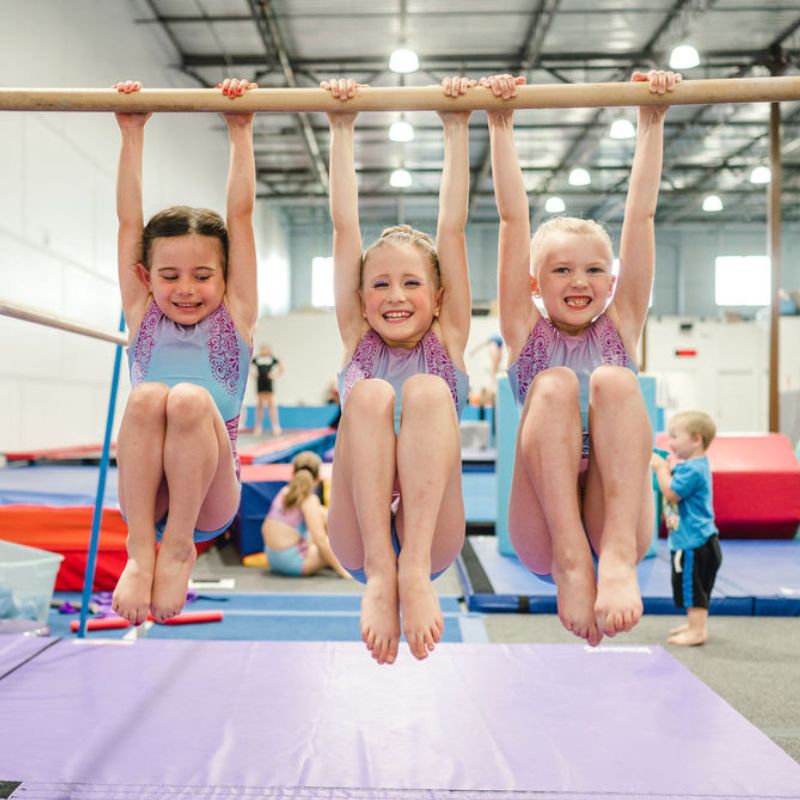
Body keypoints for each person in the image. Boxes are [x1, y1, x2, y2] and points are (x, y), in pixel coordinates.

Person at [485, 69, 681, 646]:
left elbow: (640, 218)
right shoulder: (525, 332)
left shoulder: (622, 326)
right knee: (554, 386)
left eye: (595, 269)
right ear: (535, 283)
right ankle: (575, 565)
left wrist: (652, 119)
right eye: (562, 270)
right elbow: (511, 221)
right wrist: (500, 123)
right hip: (547, 524)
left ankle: (614, 562)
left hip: (616, 515)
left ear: (612, 279)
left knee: (617, 382)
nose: (580, 281)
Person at [322, 76, 474, 664]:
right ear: (361, 300)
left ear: (439, 297)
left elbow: (452, 229)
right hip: (358, 536)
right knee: (370, 396)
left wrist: (455, 127)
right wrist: (341, 127)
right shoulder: (357, 336)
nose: (396, 295)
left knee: (428, 391)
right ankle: (382, 574)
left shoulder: (448, 339)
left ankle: (412, 571)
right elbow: (344, 229)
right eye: (380, 283)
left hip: (429, 534)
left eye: (412, 282)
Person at [110, 78, 258, 625]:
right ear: (146, 277)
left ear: (227, 276)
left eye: (203, 275)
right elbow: (130, 222)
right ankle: (141, 549)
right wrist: (131, 132)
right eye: (170, 276)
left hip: (210, 498)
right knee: (149, 397)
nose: (187, 288)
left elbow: (239, 219)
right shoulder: (141, 312)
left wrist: (240, 131)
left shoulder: (234, 317)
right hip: (146, 497)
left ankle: (177, 550)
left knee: (190, 399)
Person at [651, 412, 721, 646]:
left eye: (674, 436)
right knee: (692, 587)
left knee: (693, 588)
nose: (670, 442)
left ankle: (697, 630)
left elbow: (671, 492)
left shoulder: (693, 470)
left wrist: (661, 469)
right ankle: (694, 624)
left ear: (696, 440)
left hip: (694, 542)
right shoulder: (692, 466)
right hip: (694, 540)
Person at [262, 451, 351, 578]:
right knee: (332, 544)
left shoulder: (284, 492)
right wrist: (344, 573)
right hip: (293, 562)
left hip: (272, 558)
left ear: (293, 474)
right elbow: (320, 541)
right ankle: (346, 563)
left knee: (321, 515)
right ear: (318, 478)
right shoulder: (309, 501)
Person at [252, 343, 283, 436]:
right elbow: (249, 366)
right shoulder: (257, 359)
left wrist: (275, 375)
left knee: (271, 405)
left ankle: (275, 426)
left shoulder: (273, 359)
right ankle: (258, 426)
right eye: (262, 349)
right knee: (260, 405)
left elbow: (282, 367)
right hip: (260, 384)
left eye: (266, 349)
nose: (264, 351)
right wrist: (253, 374)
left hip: (269, 384)